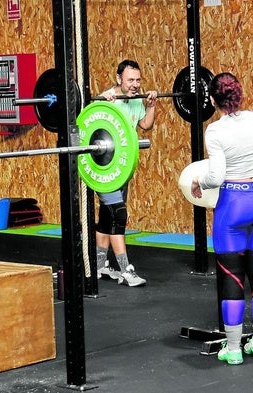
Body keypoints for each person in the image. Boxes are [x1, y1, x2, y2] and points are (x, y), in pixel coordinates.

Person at [190, 72, 253, 365]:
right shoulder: (252, 118)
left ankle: (234, 348)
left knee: (232, 277)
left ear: (213, 100)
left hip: (234, 205)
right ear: (238, 95)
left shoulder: (214, 131)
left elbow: (215, 176)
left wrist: (198, 181)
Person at [95, 59, 158, 287]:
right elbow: (87, 126)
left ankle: (100, 265)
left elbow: (145, 125)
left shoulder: (134, 100)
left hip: (122, 167)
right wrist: (103, 103)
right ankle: (126, 270)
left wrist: (150, 105)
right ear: (118, 78)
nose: (135, 85)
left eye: (138, 80)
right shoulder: (106, 100)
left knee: (107, 217)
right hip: (103, 169)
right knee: (119, 215)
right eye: (130, 80)